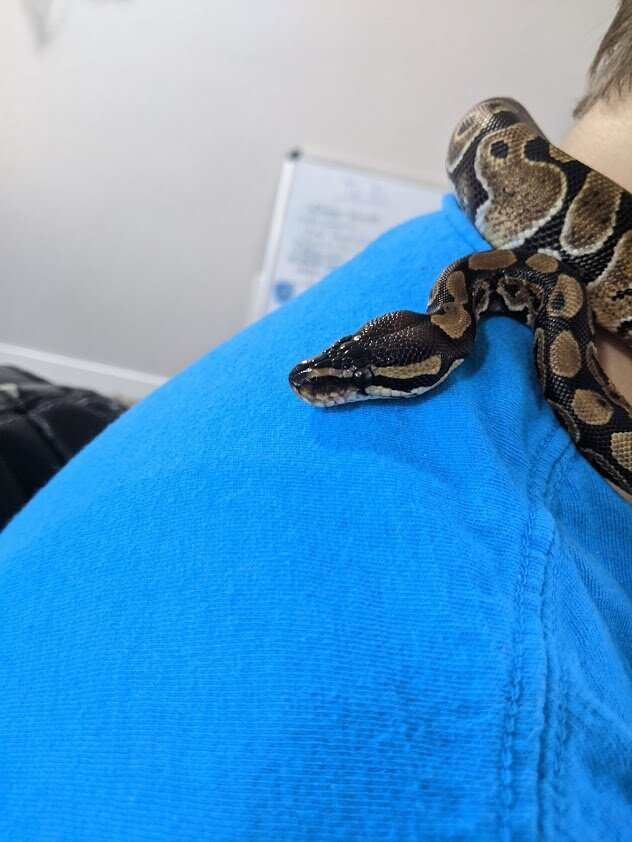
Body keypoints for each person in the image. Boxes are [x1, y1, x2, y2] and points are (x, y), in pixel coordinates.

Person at [0, 5, 630, 840]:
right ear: (444, 354)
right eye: (356, 370)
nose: (326, 379)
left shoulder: (421, 251)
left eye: (358, 374)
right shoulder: (502, 756)